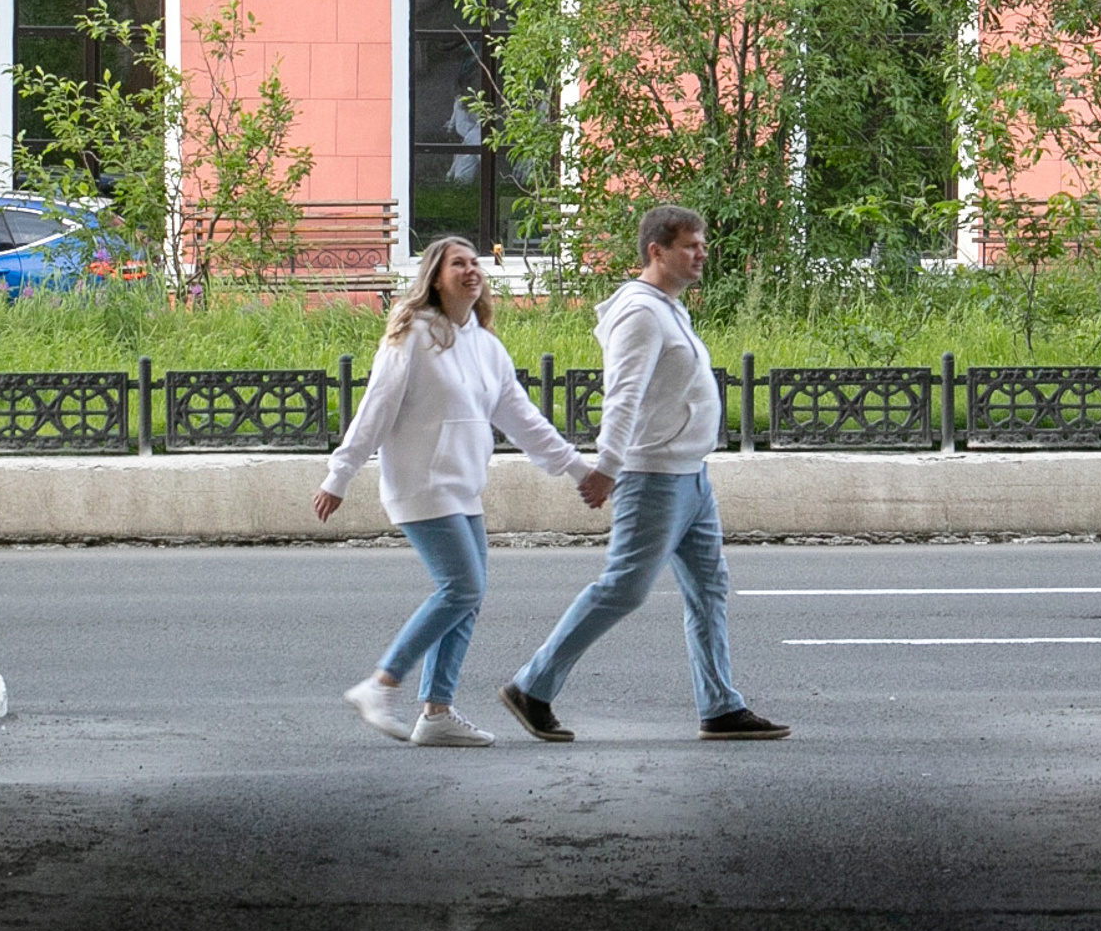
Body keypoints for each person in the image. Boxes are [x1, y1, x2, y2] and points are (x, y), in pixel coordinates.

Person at [499, 204, 789, 743]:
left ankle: (720, 706)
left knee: (709, 589)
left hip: (690, 477)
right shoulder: (640, 313)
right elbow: (623, 395)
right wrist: (607, 467)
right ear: (656, 251)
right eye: (690, 246)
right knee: (624, 589)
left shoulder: (669, 307)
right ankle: (531, 686)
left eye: (703, 244)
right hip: (653, 476)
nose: (702, 254)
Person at [313, 235, 591, 747]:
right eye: (457, 263)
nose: (471, 270)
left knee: (470, 596)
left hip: (464, 486)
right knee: (461, 588)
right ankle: (380, 684)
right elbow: (375, 409)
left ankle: (437, 711)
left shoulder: (486, 344)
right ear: (435, 278)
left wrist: (575, 468)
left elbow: (522, 418)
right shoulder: (412, 335)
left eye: (475, 262)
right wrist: (340, 475)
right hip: (421, 483)